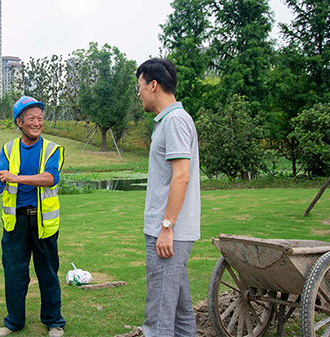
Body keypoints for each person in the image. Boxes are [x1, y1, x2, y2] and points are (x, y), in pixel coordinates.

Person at [0, 96, 66, 337]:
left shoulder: (53, 149)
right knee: (14, 274)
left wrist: (16, 178)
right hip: (16, 222)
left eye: (40, 118)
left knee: (48, 273)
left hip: (43, 223)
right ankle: (13, 322)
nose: (37, 123)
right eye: (31, 118)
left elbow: (50, 178)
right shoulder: (8, 148)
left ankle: (54, 322)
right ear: (19, 122)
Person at [135, 58, 201, 337]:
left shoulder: (174, 121)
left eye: (139, 86)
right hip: (168, 231)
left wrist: (166, 228)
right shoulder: (169, 120)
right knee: (180, 312)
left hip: (169, 234)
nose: (138, 92)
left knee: (158, 318)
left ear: (153, 85)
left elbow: (181, 176)